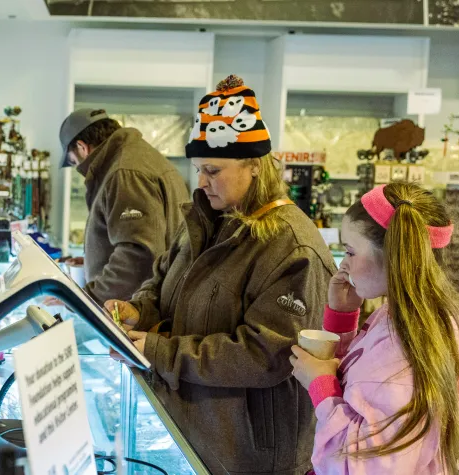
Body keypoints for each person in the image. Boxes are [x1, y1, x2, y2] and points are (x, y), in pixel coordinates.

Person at [107, 75, 336, 474]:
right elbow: (161, 285)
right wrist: (136, 311)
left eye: (212, 170)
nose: (201, 182)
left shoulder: (292, 246)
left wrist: (160, 352)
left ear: (253, 165)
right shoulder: (203, 220)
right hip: (193, 439)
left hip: (250, 457)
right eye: (198, 169)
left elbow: (267, 355)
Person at [289, 182, 459, 474]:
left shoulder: (408, 352)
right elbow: (365, 383)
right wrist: (343, 317)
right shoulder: (411, 319)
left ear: (392, 257)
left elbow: (362, 465)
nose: (343, 264)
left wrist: (321, 387)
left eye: (350, 252)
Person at [59, 108, 189, 304]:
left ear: (81, 147)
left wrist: (85, 299)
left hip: (138, 311)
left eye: (73, 160)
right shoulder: (136, 157)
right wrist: (94, 261)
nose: (78, 168)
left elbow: (138, 258)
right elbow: (145, 239)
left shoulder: (125, 173)